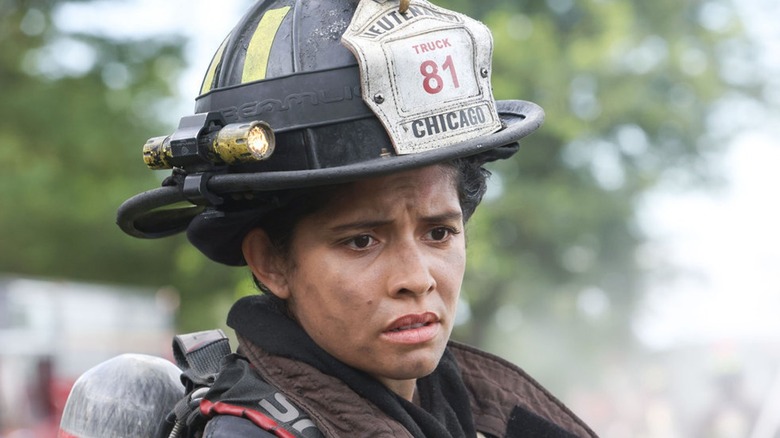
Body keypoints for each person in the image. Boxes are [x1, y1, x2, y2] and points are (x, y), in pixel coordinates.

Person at [115, 0, 598, 436]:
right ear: (270, 263)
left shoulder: (476, 415)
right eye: (361, 241)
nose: (416, 279)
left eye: (438, 232)